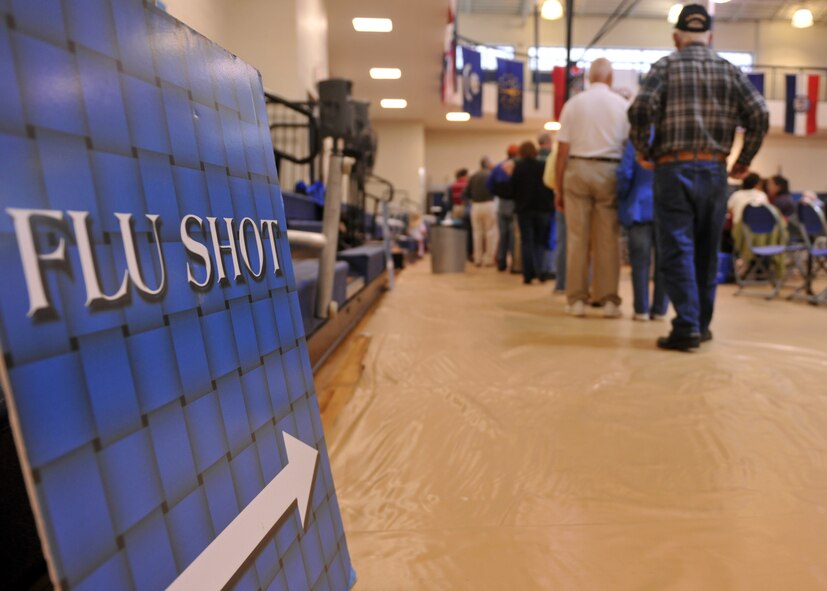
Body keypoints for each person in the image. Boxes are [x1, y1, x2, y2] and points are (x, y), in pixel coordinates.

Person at [628, 3, 769, 351]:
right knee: (707, 250)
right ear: (710, 37)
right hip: (715, 169)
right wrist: (743, 160)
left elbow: (641, 109)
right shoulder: (729, 71)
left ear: (677, 38)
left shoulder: (664, 67)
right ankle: (701, 325)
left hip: (672, 168)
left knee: (677, 248)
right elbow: (760, 113)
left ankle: (687, 325)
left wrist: (643, 151)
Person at [555, 58, 630, 318]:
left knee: (577, 239)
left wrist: (558, 188)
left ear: (589, 78)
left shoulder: (573, 104)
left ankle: (576, 300)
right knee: (608, 239)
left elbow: (562, 151)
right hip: (610, 170)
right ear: (610, 79)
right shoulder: (623, 106)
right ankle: (608, 301)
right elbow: (627, 148)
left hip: (577, 169)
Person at [617, 138, 669, 322]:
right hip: (668, 206)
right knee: (665, 262)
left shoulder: (637, 141)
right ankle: (661, 310)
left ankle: (641, 310)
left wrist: (622, 198)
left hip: (639, 205)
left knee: (640, 262)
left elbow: (624, 173)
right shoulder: (671, 137)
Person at [511, 141, 555, 284]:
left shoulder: (519, 168)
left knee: (526, 242)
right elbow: (549, 185)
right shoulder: (543, 166)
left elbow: (513, 189)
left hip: (524, 210)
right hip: (543, 209)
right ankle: (542, 272)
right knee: (541, 241)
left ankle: (528, 274)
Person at [487, 145, 519, 271]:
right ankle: (514, 263)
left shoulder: (498, 167)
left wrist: (498, 193)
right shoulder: (517, 166)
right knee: (512, 235)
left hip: (501, 203)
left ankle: (501, 262)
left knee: (503, 234)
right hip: (514, 203)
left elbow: (489, 184)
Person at [464, 157, 499, 266]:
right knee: (490, 233)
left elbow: (466, 193)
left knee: (477, 233)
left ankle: (477, 258)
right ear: (488, 165)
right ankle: (488, 259)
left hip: (476, 205)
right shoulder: (491, 175)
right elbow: (496, 190)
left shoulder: (473, 176)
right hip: (489, 204)